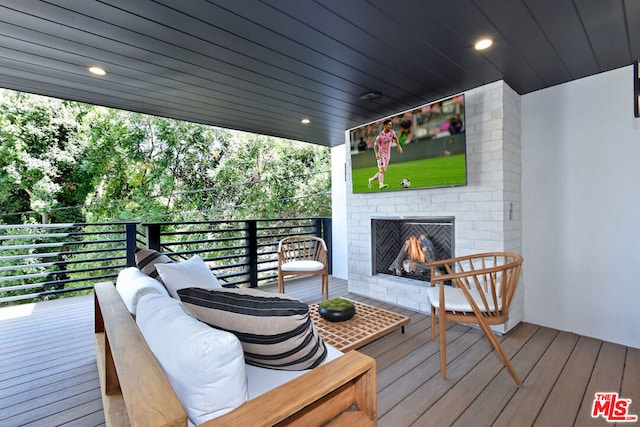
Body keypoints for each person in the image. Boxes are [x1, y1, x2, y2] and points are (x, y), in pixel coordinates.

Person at [368, 119, 403, 190]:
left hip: (388, 155)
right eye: (389, 125)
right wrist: (376, 154)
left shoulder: (392, 132)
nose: (390, 126)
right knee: (382, 170)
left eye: (391, 125)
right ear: (385, 125)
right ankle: (381, 184)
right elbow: (375, 145)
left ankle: (371, 179)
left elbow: (395, 138)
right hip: (381, 155)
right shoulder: (380, 136)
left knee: (382, 171)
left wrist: (398, 145)